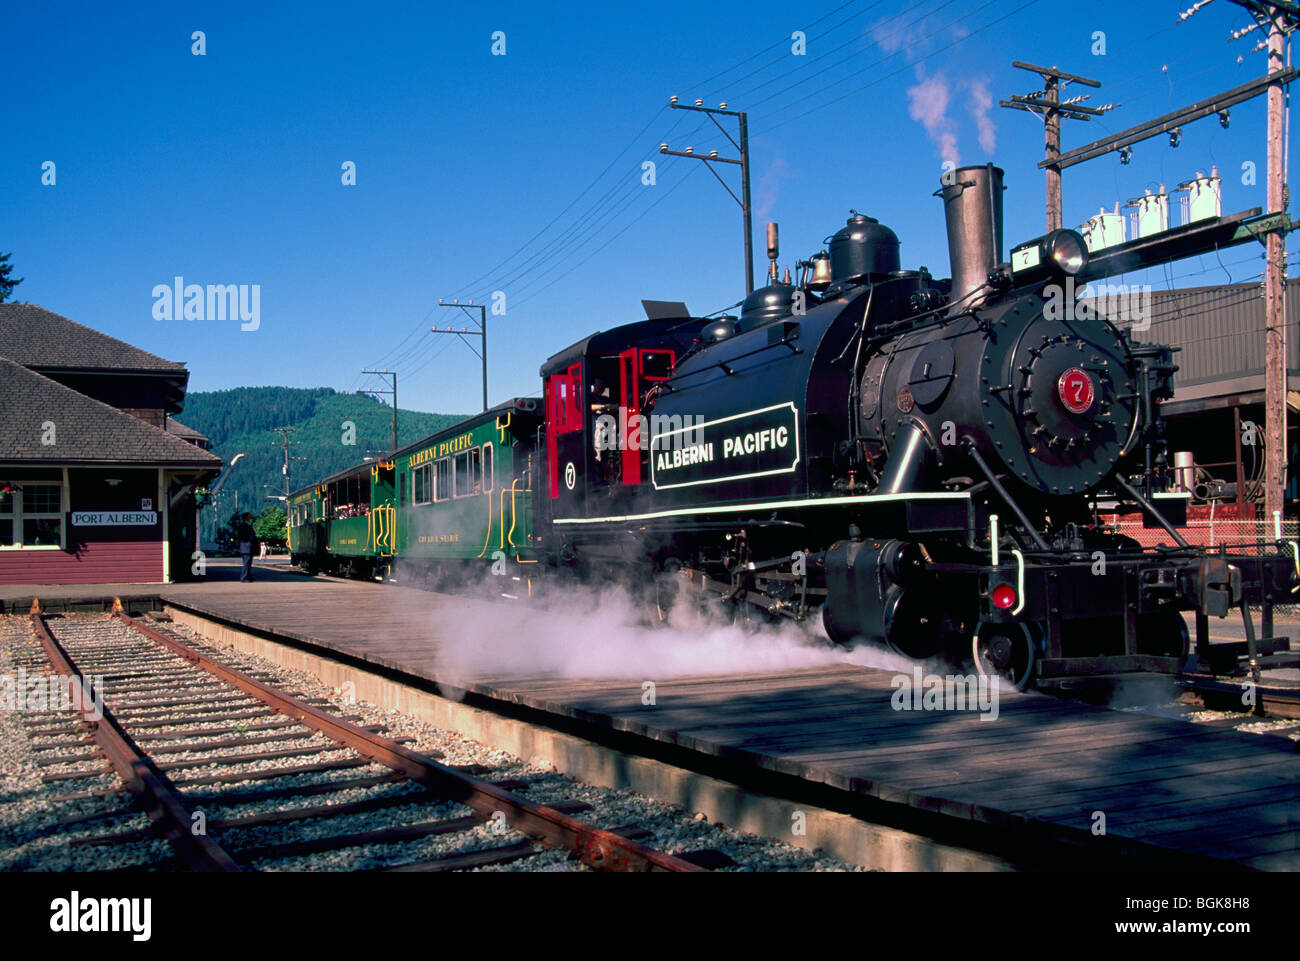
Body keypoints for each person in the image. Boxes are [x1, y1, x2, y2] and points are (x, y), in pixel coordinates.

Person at [235, 513, 257, 583]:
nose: (249, 519)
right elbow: (249, 536)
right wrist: (252, 539)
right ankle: (244, 577)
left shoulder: (243, 526)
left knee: (248, 563)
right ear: (246, 518)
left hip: (245, 547)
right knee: (246, 563)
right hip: (246, 547)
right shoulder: (245, 526)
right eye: (248, 517)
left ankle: (248, 576)